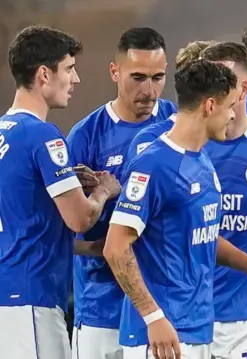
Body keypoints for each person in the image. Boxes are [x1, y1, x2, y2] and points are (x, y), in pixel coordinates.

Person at [131, 40, 247, 359]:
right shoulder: (163, 147)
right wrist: (151, 314)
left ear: (244, 88)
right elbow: (129, 239)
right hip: (179, 319)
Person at [104, 60, 247, 359]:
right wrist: (153, 317)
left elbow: (201, 235)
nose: (234, 114)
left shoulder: (202, 160)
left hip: (197, 329)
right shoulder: (154, 164)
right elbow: (115, 248)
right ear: (210, 105)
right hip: (161, 337)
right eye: (231, 105)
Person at [0, 25, 121, 359]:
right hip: (31, 301)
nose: (76, 79)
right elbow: (80, 217)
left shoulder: (4, 133)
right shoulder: (44, 136)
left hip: (8, 296)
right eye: (69, 69)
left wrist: (87, 248)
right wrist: (104, 193)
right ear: (43, 74)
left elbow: (21, 220)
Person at [67, 27, 176, 359]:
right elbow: (67, 228)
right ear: (115, 72)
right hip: (102, 308)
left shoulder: (177, 124)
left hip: (164, 306)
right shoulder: (85, 136)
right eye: (138, 77)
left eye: (158, 77)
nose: (149, 90)